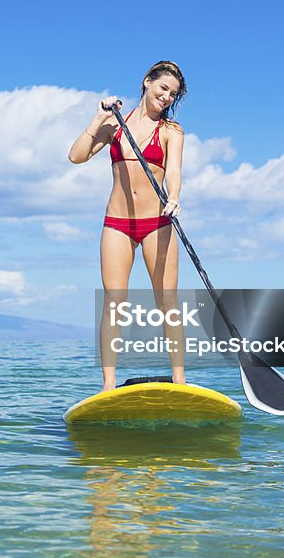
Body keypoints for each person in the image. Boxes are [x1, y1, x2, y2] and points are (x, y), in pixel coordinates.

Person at [69, 61, 188, 391]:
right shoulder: (115, 124)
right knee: (114, 303)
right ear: (147, 82)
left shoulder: (171, 132)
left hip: (157, 223)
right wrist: (98, 118)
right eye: (162, 88)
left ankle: (179, 381)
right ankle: (108, 385)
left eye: (172, 94)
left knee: (168, 303)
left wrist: (174, 196)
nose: (166, 97)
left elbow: (174, 171)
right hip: (117, 224)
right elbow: (76, 156)